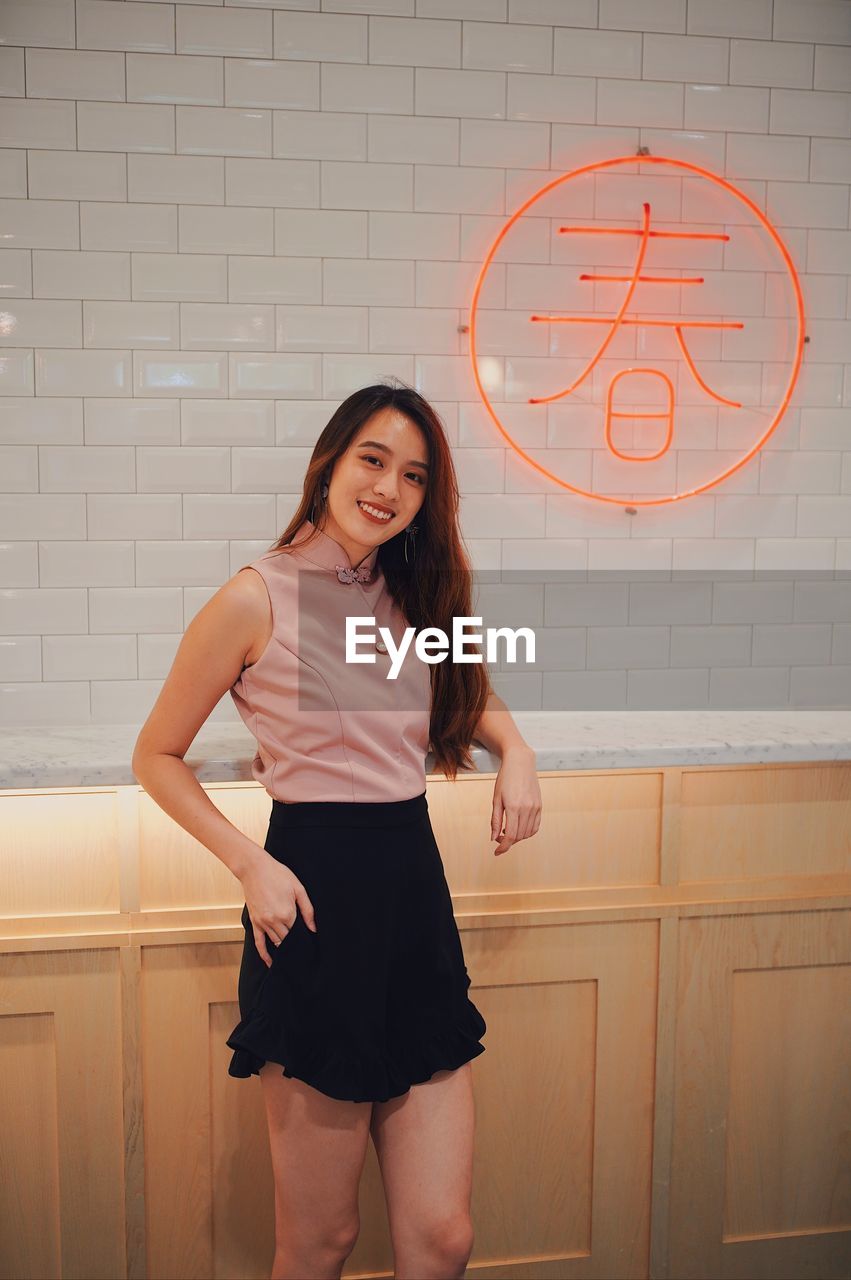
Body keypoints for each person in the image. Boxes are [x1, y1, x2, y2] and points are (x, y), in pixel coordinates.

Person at [132, 381, 542, 1280]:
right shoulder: (256, 596)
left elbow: (468, 696)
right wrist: (250, 865)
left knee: (443, 1238)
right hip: (309, 901)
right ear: (329, 462)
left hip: (412, 901)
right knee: (321, 1242)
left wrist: (516, 751)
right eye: (373, 460)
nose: (389, 488)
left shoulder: (412, 592)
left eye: (414, 475)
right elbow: (156, 755)